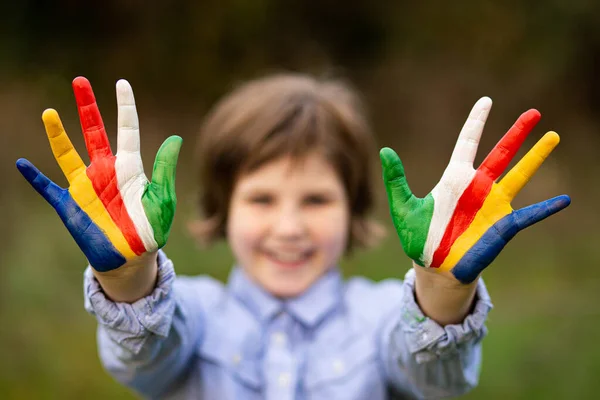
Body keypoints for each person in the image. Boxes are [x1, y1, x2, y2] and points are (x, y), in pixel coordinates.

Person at [16, 74, 570, 399]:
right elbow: (141, 360)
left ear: (353, 209)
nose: (289, 227)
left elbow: (436, 378)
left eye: (316, 199)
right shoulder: (196, 313)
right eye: (261, 199)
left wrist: (443, 285)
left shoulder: (381, 317)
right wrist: (127, 275)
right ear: (221, 209)